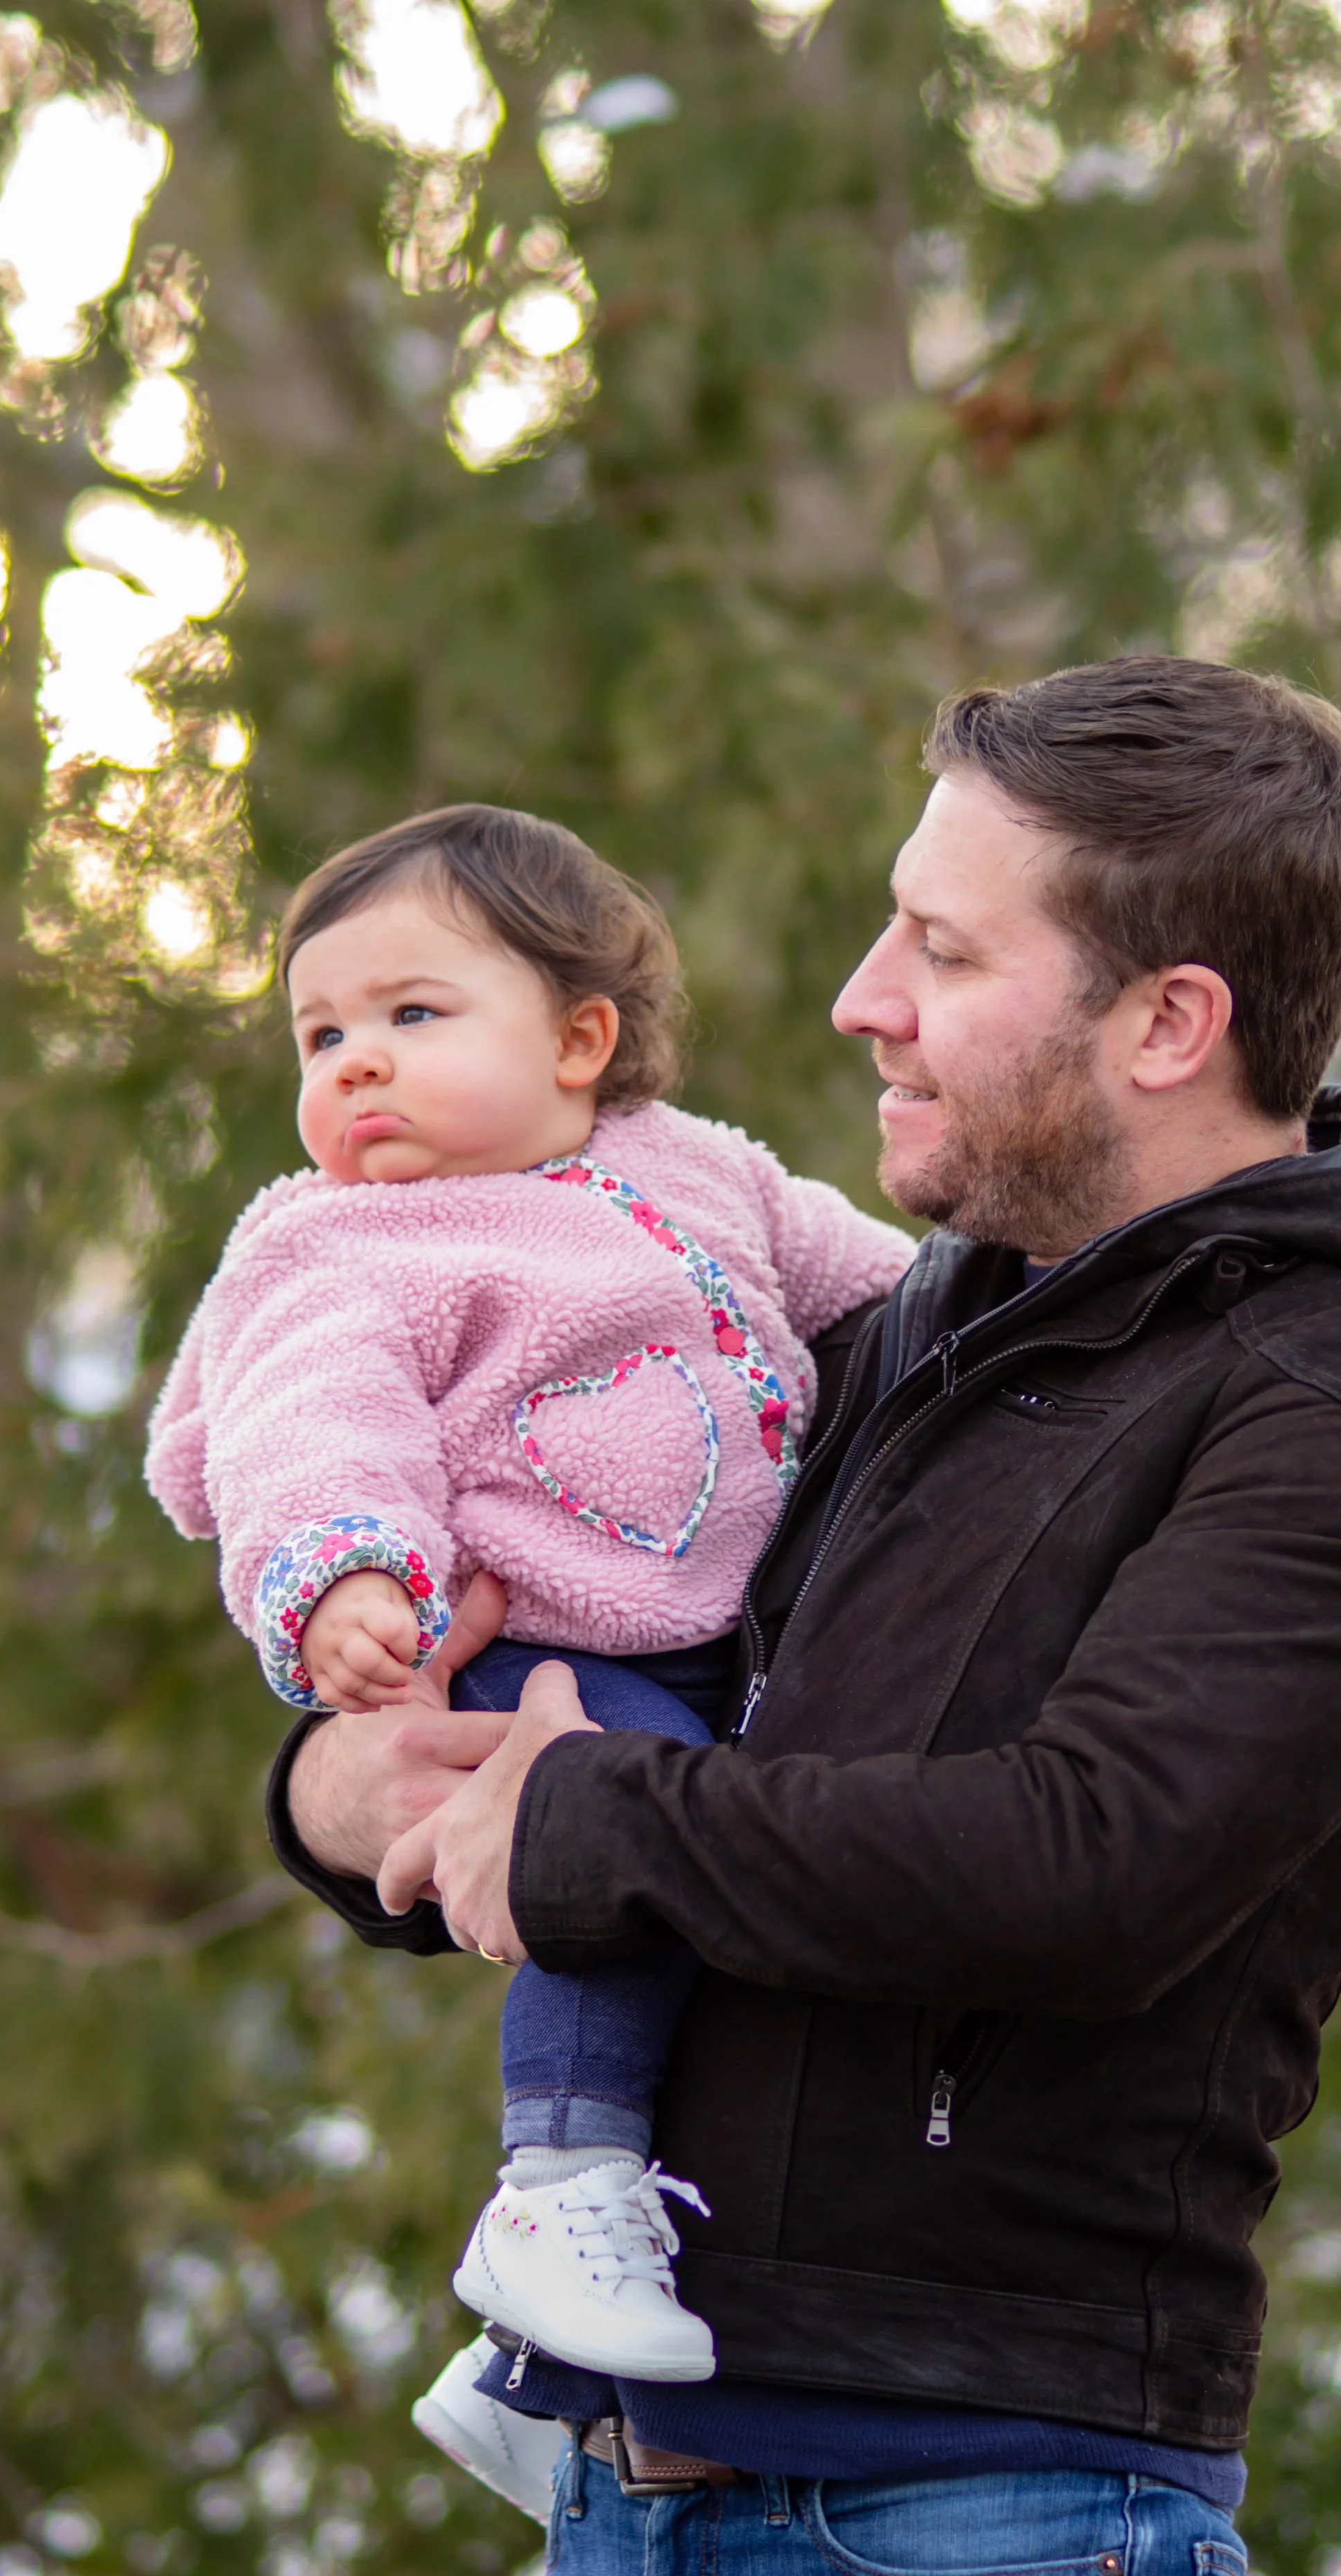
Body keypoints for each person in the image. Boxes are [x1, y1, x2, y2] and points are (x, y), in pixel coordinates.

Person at [266, 658, 1341, 2576]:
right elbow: (612, 1637)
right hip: (628, 2499)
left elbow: (1088, 1865)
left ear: (1166, 1021)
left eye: (943, 951)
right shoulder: (906, 1330)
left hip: (985, 2515)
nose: (863, 995)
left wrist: (581, 1818)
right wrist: (340, 1787)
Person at [142, 807, 915, 2445]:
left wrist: (1002, 1293)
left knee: (734, 1915)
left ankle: (529, 2384)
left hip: (722, 1638)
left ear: (582, 1041)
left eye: (412, 1017)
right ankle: (555, 2179)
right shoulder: (344, 1243)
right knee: (615, 1823)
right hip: (544, 1648)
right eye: (323, 1033)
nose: (355, 1064)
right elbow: (312, 1419)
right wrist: (348, 1573)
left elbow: (878, 1289)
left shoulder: (697, 1167)